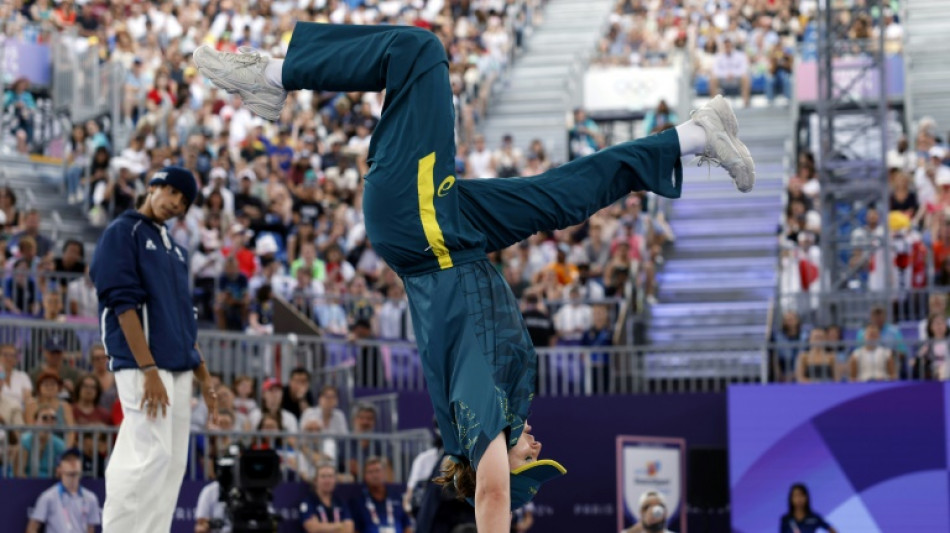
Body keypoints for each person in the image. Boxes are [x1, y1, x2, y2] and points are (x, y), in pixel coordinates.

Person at [195, 24, 754, 530]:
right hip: (453, 239)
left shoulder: (480, 417)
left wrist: (499, 493)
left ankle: (270, 75)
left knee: (419, 50)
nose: (538, 445)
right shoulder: (501, 399)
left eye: (531, 459)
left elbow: (490, 496)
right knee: (565, 196)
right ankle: (696, 135)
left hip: (421, 230)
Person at [89, 166, 218, 532]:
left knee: (173, 462)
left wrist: (205, 378)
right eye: (172, 192)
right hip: (142, 364)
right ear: (153, 187)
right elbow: (122, 304)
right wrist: (148, 371)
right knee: (149, 453)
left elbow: (184, 318)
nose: (176, 203)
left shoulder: (176, 249)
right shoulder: (122, 232)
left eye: (183, 201)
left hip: (178, 367)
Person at [25, 449, 101, 533]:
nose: (73, 462)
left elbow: (91, 529)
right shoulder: (48, 497)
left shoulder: (91, 498)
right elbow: (32, 528)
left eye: (76, 459)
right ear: (59, 469)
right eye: (68, 460)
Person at [349, 456, 413, 533]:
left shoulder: (398, 498)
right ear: (364, 476)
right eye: (370, 472)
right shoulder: (358, 502)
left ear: (384, 473)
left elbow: (407, 527)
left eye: (377, 471)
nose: (375, 475)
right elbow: (355, 530)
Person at [300, 461, 355, 533]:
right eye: (323, 476)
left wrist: (324, 527)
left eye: (330, 476)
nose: (327, 480)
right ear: (315, 480)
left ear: (335, 480)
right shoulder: (307, 502)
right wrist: (340, 526)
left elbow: (349, 529)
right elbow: (314, 528)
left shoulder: (340, 502)